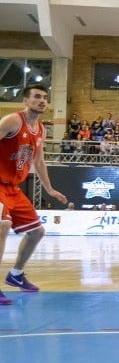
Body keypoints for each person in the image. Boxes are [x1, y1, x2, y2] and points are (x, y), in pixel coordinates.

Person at [0, 84, 68, 306]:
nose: (42, 101)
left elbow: (38, 161)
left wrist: (49, 189)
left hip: (14, 188)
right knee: (2, 226)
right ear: (25, 101)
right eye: (37, 97)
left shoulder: (41, 129)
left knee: (37, 232)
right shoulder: (12, 121)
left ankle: (16, 274)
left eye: (45, 98)